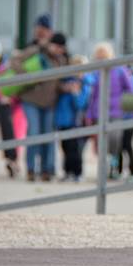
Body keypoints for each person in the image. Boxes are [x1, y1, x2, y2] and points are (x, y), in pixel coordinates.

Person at [11, 31, 69, 182]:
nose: (58, 50)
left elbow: (58, 83)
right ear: (50, 44)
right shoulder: (36, 51)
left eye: (61, 48)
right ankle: (31, 169)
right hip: (31, 100)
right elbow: (14, 60)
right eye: (56, 47)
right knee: (34, 133)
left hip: (50, 103)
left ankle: (47, 170)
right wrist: (28, 76)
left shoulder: (62, 60)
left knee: (48, 136)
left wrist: (67, 88)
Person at [85, 42, 133, 180]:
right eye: (99, 58)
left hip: (117, 112)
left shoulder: (120, 70)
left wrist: (131, 109)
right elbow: (92, 95)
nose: (101, 60)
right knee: (102, 143)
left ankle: (114, 166)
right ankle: (105, 169)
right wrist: (89, 114)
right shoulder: (95, 73)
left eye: (104, 57)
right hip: (99, 112)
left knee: (115, 140)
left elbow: (131, 89)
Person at [55, 54, 92, 182]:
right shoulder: (66, 82)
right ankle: (67, 171)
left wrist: (75, 93)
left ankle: (77, 173)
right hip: (64, 121)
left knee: (75, 149)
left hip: (76, 122)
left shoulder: (85, 85)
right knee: (65, 147)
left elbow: (81, 104)